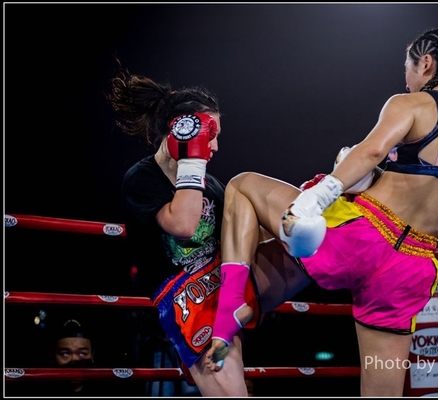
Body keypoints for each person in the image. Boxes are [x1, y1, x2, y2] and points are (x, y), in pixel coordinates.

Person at [205, 27, 438, 397]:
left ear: (426, 63)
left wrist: (316, 198)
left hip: (358, 239)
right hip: (410, 269)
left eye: (407, 69)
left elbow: (371, 151)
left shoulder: (411, 104)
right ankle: (260, 287)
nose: (407, 81)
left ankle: (231, 307)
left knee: (242, 185)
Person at [105, 58, 312, 396]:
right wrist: (192, 156)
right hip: (188, 299)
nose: (214, 146)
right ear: (181, 130)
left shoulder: (212, 185)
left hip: (229, 281)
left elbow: (240, 238)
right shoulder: (142, 178)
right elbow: (184, 225)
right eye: (209, 134)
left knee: (304, 232)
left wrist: (297, 211)